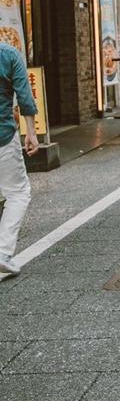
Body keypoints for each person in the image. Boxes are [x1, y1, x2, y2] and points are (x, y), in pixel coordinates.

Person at [0, 44, 39, 276]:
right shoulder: (9, 54)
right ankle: (2, 252)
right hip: (3, 136)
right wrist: (31, 133)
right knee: (18, 193)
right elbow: (24, 96)